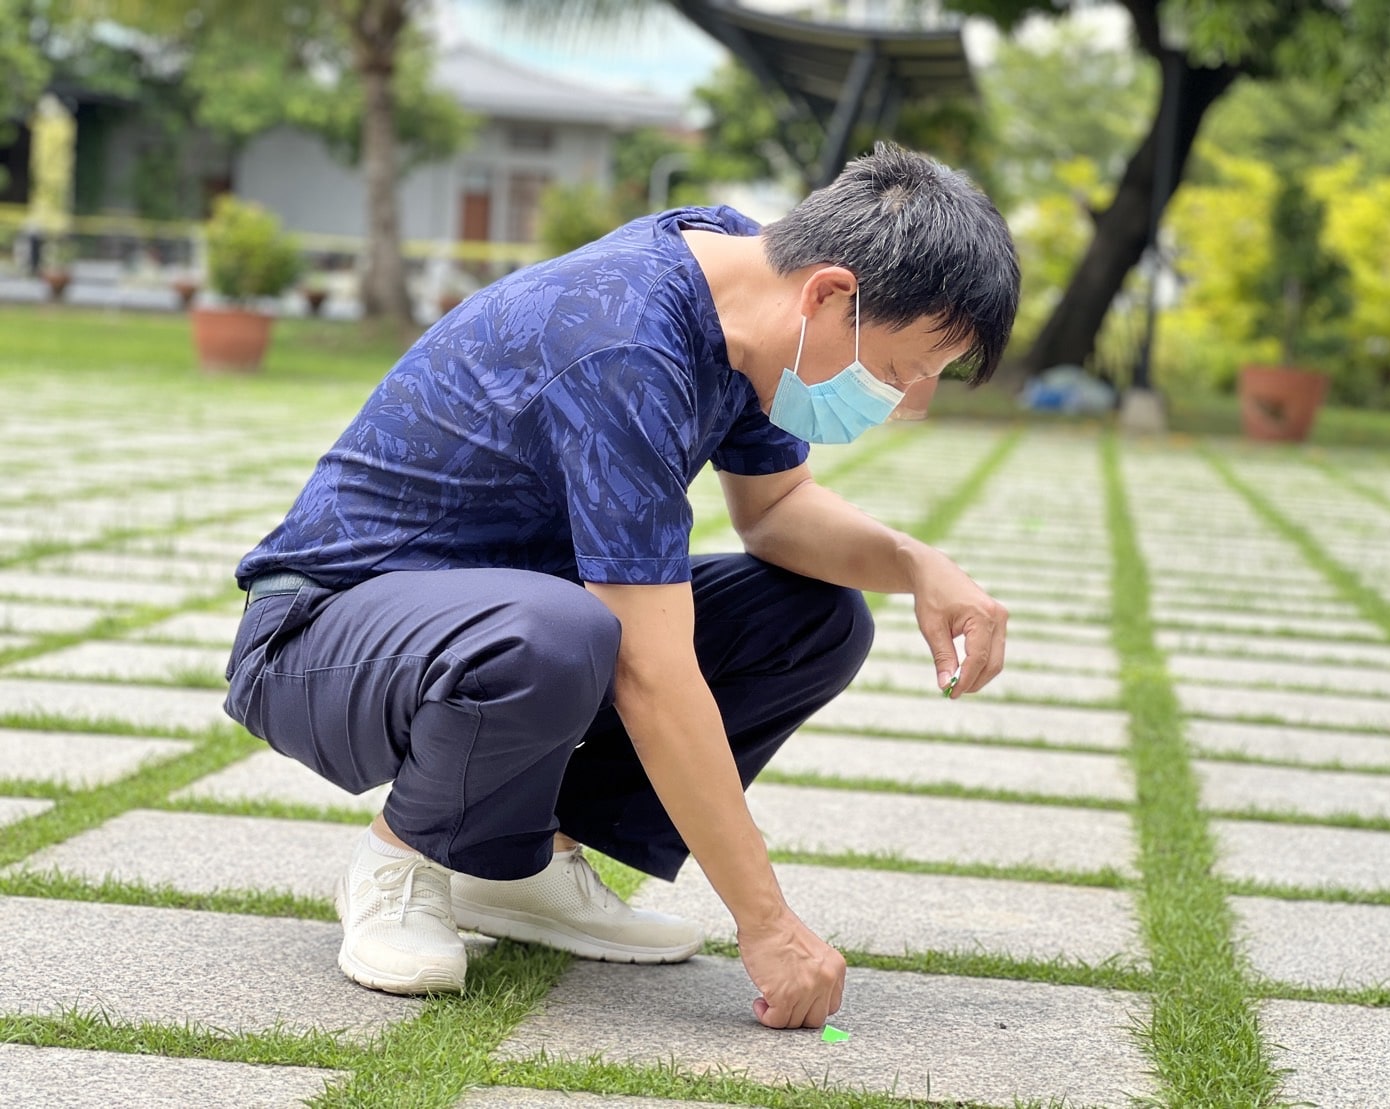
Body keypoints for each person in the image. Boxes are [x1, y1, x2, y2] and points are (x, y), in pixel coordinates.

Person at [223, 142, 1019, 1030]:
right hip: (319, 631)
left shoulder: (745, 296)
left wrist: (917, 564)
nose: (905, 401)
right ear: (830, 294)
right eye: (905, 368)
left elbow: (777, 510)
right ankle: (404, 860)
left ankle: (517, 865)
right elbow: (649, 669)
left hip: (494, 618)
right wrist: (768, 925)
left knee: (813, 617)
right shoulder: (625, 340)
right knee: (566, 632)